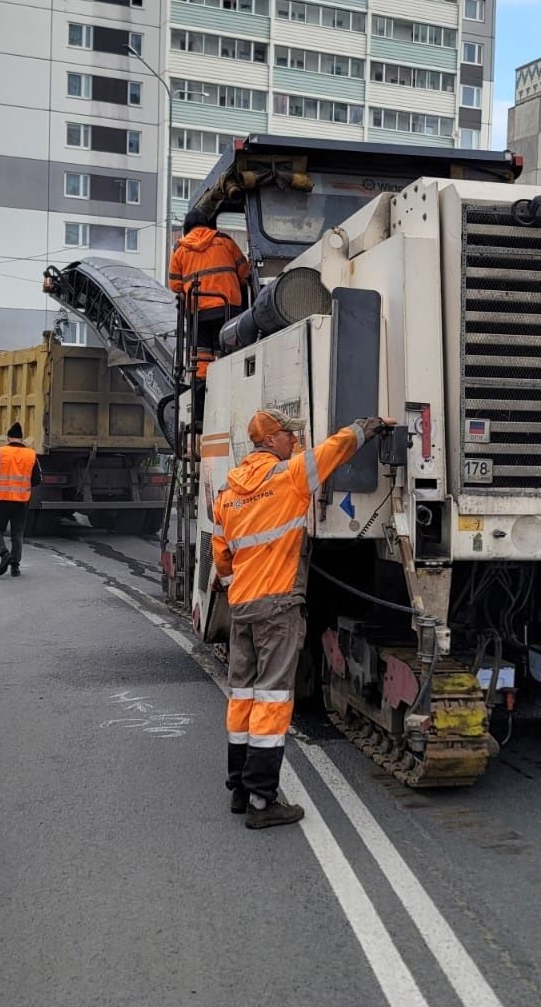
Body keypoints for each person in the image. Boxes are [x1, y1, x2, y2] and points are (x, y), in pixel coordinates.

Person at [213, 407, 392, 829]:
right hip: (277, 606)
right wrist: (365, 427)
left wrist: (235, 583)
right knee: (273, 699)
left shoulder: (229, 492)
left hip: (242, 606)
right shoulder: (288, 477)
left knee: (243, 695)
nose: (295, 441)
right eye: (289, 435)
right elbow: (334, 450)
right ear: (272, 440)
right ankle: (262, 801)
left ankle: (240, 787)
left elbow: (221, 556)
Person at [167, 209, 250, 379]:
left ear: (187, 227)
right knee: (226, 351)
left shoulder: (179, 249)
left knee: (202, 356)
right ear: (207, 224)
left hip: (199, 314)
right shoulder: (225, 241)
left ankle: (202, 390)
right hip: (229, 309)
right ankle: (225, 382)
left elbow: (175, 285)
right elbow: (245, 272)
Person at [0, 421, 41, 577]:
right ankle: (15, 567)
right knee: (17, 534)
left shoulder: (1, 452)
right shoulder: (31, 455)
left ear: (8, 438)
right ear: (22, 439)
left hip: (2, 500)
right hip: (21, 501)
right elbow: (37, 479)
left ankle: (4, 554)